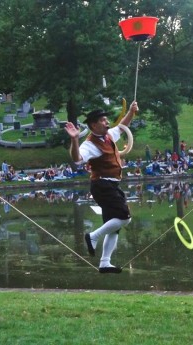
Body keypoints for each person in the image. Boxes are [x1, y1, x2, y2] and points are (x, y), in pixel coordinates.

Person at [64, 101, 139, 274]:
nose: (107, 122)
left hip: (111, 184)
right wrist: (74, 139)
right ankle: (93, 236)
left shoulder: (108, 136)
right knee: (125, 217)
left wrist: (131, 112)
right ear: (93, 125)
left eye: (106, 120)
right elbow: (77, 159)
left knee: (114, 226)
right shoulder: (89, 144)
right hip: (102, 185)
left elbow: (122, 127)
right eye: (103, 120)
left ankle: (105, 262)